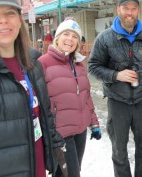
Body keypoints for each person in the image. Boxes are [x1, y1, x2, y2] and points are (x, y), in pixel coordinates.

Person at [0, 0, 67, 177]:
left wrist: (56, 152)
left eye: (10, 13)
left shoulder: (33, 65)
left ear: (19, 20)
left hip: (38, 169)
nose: (3, 20)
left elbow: (45, 115)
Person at [88, 0, 142, 177]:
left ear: (138, 11)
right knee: (119, 151)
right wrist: (116, 75)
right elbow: (93, 66)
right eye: (126, 8)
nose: (130, 12)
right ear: (118, 10)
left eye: (133, 8)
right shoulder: (105, 38)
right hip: (117, 101)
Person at [38, 18, 101, 177]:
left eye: (75, 37)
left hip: (80, 132)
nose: (70, 39)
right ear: (57, 38)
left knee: (72, 172)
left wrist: (94, 123)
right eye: (66, 34)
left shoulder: (79, 65)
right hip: (60, 134)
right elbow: (38, 101)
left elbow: (86, 97)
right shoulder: (43, 63)